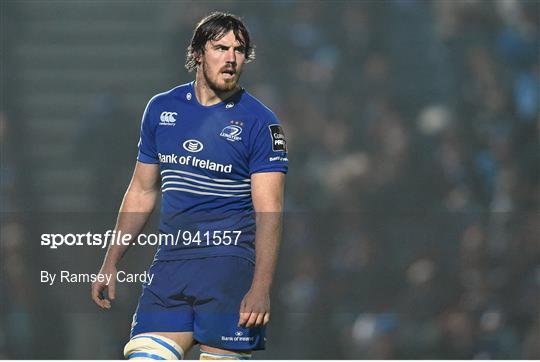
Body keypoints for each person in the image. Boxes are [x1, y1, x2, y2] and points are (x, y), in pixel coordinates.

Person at [91, 12, 288, 360]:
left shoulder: (261, 122)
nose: (231, 58)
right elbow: (141, 191)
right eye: (221, 47)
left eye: (240, 50)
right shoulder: (161, 109)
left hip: (228, 270)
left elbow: (269, 211)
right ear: (197, 53)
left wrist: (261, 287)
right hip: (170, 266)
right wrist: (111, 260)